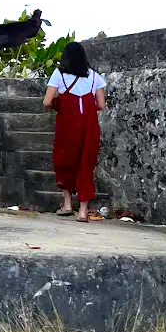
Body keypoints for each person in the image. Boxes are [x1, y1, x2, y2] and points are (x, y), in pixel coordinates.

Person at [42, 41, 106, 221]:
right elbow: (100, 104)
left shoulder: (59, 75)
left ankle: (68, 203)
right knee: (85, 163)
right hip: (88, 126)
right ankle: (83, 211)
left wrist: (59, 99)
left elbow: (47, 102)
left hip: (67, 125)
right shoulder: (95, 76)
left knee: (64, 160)